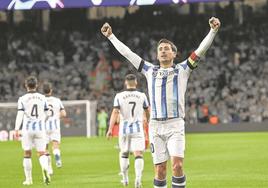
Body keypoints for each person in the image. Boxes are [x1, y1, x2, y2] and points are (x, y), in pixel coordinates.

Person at [101, 17, 220, 188]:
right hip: (155, 126)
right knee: (160, 171)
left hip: (175, 124)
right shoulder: (150, 70)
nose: (163, 51)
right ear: (157, 55)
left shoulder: (183, 69)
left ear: (174, 54)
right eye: (160, 49)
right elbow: (128, 53)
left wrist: (213, 31)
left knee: (177, 166)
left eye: (167, 49)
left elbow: (200, 50)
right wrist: (111, 36)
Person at [106, 74, 150, 188]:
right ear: (136, 82)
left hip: (124, 130)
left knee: (124, 153)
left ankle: (125, 179)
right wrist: (148, 121)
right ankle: (138, 180)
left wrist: (110, 129)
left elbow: (115, 112)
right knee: (138, 154)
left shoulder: (119, 96)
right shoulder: (142, 96)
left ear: (126, 83)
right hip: (138, 129)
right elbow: (148, 110)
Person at [14, 76, 51, 185]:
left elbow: (20, 114)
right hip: (40, 129)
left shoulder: (22, 99)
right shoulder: (42, 98)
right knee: (42, 153)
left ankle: (29, 180)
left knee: (27, 153)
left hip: (27, 130)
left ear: (26, 86)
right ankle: (45, 172)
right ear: (37, 85)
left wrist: (16, 129)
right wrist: (41, 120)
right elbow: (48, 113)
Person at [43, 82, 66, 174]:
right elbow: (64, 114)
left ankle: (49, 168)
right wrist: (56, 117)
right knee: (55, 145)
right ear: (51, 90)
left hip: (44, 127)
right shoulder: (57, 100)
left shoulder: (41, 100)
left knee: (45, 148)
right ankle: (58, 159)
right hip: (55, 126)